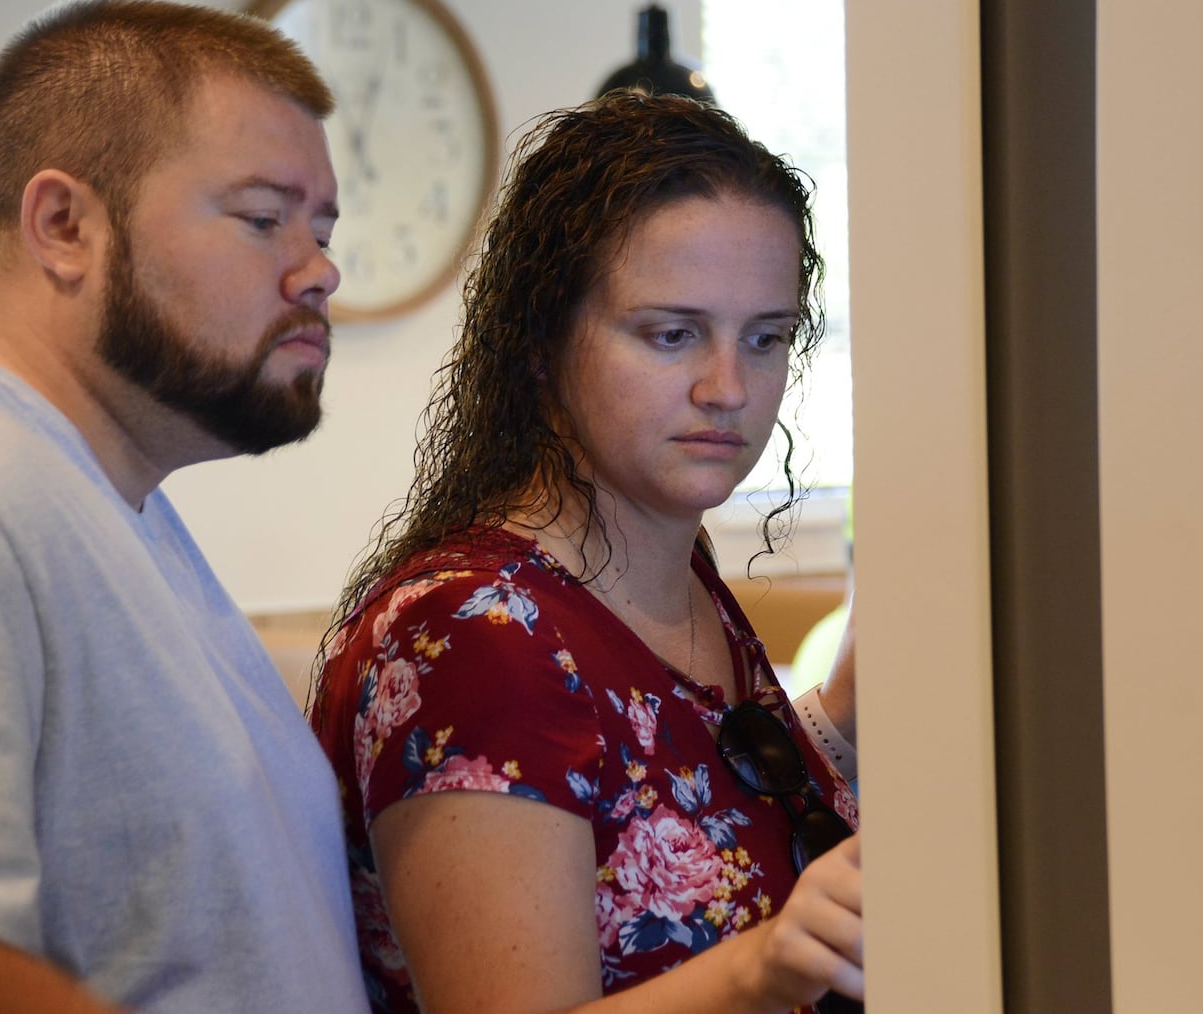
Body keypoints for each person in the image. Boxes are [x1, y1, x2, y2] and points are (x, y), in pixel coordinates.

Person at [312, 92, 863, 1014]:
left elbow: (665, 804)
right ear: (541, 342)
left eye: (765, 338)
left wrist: (840, 723)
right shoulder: (476, 637)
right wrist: (764, 970)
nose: (727, 387)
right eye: (671, 334)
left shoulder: (667, 576)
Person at [0, 0, 368, 1013]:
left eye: (322, 228)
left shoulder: (91, 488)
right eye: (261, 218)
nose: (319, 268)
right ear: (64, 225)